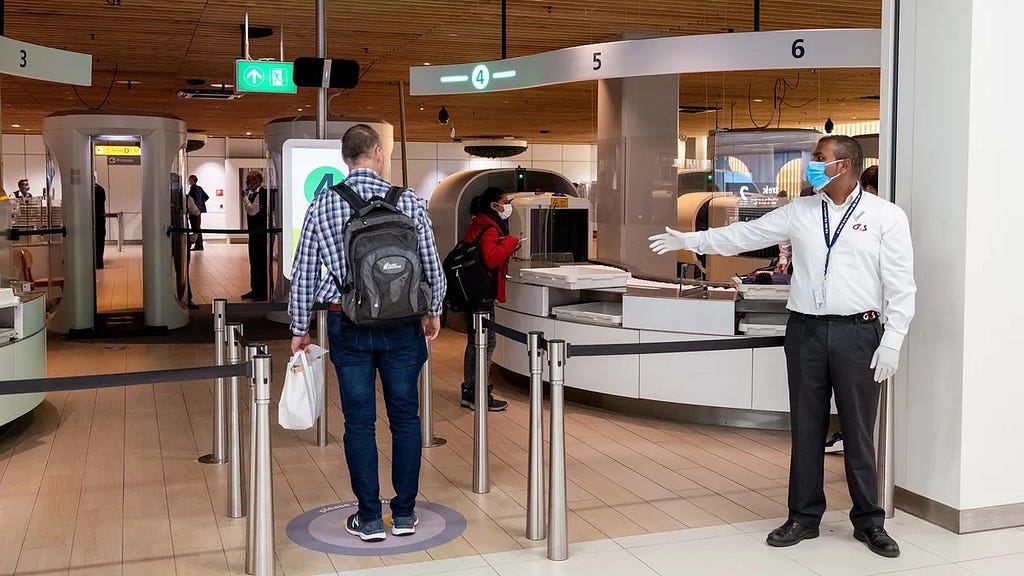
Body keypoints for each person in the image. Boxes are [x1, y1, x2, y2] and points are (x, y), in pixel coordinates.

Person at [649, 135, 915, 559]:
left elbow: (902, 285)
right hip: (806, 331)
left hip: (859, 333)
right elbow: (744, 234)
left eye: (819, 158)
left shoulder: (885, 216)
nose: (812, 164)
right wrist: (691, 241)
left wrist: (893, 340)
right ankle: (803, 517)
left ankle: (870, 522)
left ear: (843, 165)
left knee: (859, 433)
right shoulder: (801, 211)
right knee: (806, 428)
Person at [289, 124, 446, 543]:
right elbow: (432, 267)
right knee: (405, 418)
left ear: (346, 158)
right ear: (377, 153)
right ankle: (407, 513)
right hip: (403, 326)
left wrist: (299, 328)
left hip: (349, 322)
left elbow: (305, 273)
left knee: (359, 421)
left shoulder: (323, 205)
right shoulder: (408, 201)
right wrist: (432, 312)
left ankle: (370, 518)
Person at [460, 187, 518, 412]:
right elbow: (491, 258)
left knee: (474, 344)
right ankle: (479, 394)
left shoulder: (478, 224)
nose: (507, 206)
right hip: (482, 294)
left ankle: (470, 392)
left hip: (471, 291)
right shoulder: (490, 228)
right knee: (486, 343)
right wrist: (511, 242)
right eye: (504, 202)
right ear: (493, 205)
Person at [241, 171, 268, 300]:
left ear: (257, 181)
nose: (247, 183)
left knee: (259, 262)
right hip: (255, 233)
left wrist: (245, 198)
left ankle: (261, 291)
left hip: (259, 233)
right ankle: (255, 289)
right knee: (254, 261)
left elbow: (252, 211)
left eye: (249, 181)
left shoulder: (261, 194)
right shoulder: (255, 194)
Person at [187, 175, 210, 250]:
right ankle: (199, 245)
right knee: (198, 227)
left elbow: (193, 200)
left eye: (190, 179)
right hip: (198, 211)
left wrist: (195, 206)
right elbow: (206, 197)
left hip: (194, 211)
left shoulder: (193, 189)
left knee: (196, 228)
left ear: (192, 180)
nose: (188, 181)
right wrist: (201, 205)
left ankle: (198, 245)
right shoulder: (199, 188)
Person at [94, 175, 106, 270]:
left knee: (92, 242)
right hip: (101, 219)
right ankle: (99, 263)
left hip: (91, 220)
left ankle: (92, 262)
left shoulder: (87, 191)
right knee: (100, 242)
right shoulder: (101, 189)